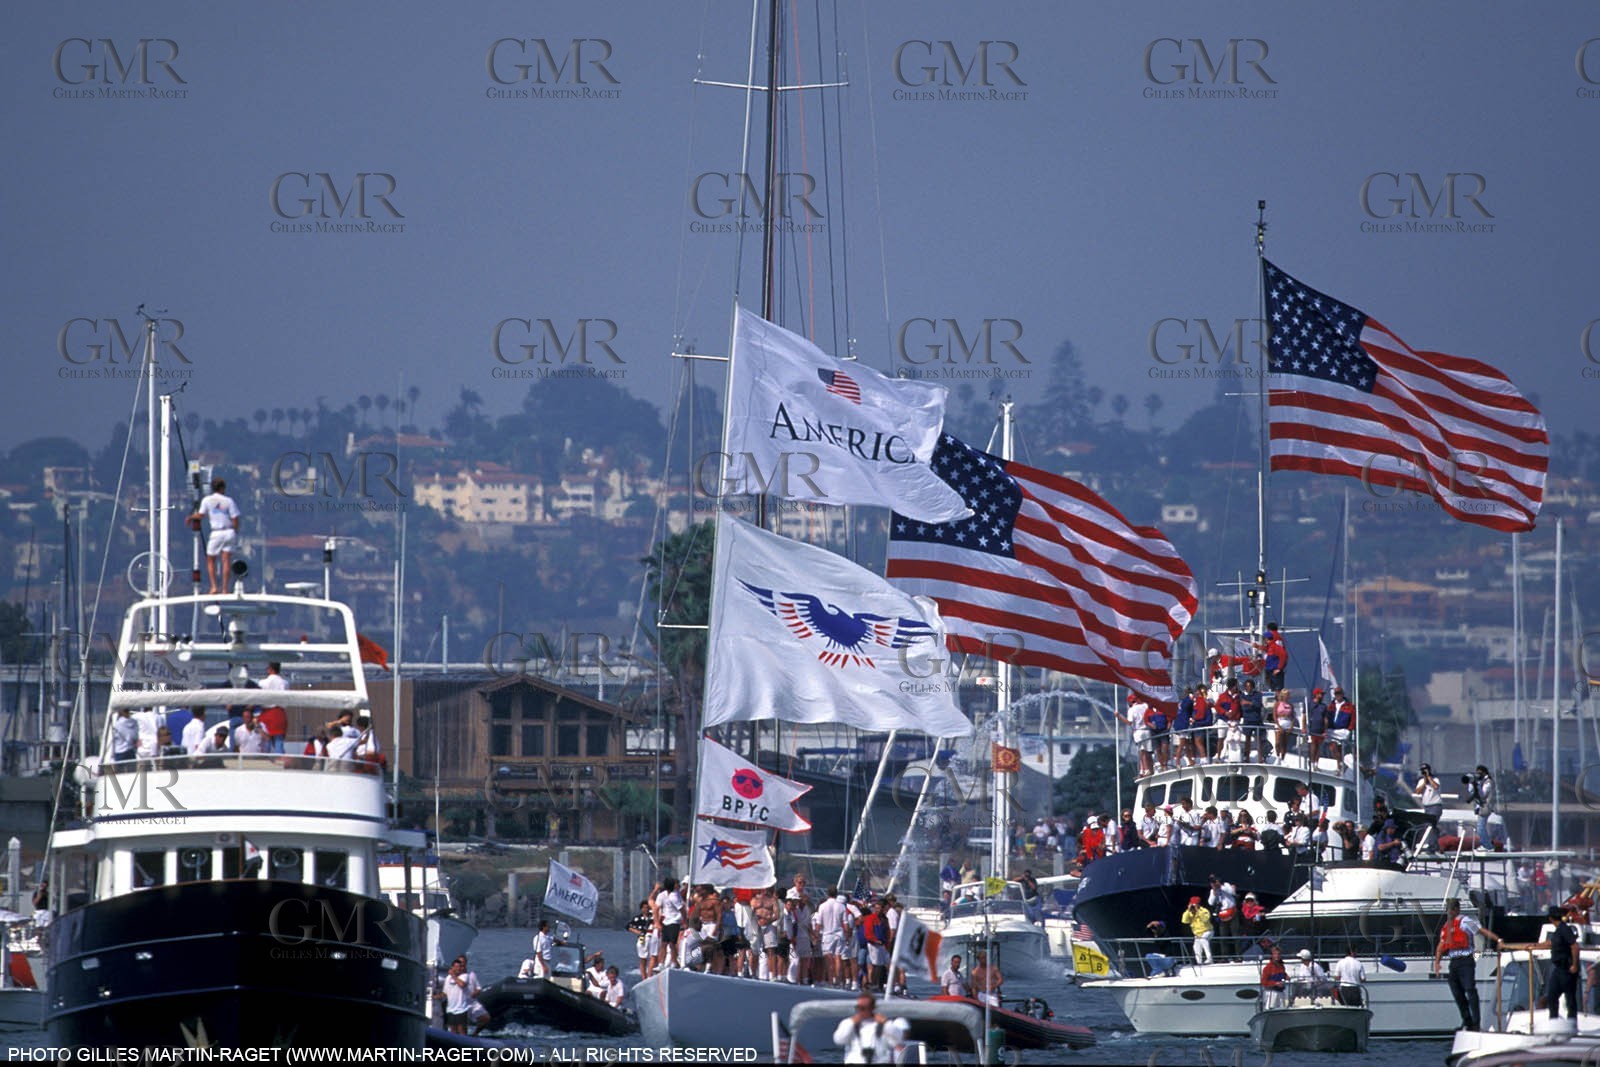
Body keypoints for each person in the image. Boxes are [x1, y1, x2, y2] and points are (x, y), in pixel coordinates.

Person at [1433, 897, 1502, 1031]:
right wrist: (1437, 963)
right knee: (1457, 993)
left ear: (1456, 910)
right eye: (1448, 910)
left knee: (1470, 989)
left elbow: (1481, 931)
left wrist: (1498, 939)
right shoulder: (1446, 926)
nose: (1449, 912)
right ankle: (1467, 1021)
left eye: (1451, 910)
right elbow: (1441, 946)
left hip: (1466, 961)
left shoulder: (1466, 922)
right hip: (1454, 962)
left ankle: (1476, 1022)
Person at [194, 477, 241, 595]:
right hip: (229, 531)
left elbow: (200, 515)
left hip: (216, 532)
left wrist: (190, 518)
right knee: (226, 560)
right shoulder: (229, 501)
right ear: (223, 488)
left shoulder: (207, 500)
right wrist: (235, 531)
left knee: (211, 559)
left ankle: (214, 587)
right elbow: (235, 518)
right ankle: (225, 589)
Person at [832, 994, 908, 1065]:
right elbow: (838, 1040)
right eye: (859, 1007)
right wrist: (851, 1023)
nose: (861, 1011)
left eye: (865, 1008)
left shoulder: (884, 1024)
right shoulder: (848, 1023)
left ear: (872, 1008)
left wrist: (885, 1023)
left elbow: (898, 1038)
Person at [1542, 904, 1581, 1021]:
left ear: (1550, 918)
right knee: (1552, 996)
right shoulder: (1559, 930)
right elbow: (1554, 942)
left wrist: (1575, 965)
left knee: (1570, 998)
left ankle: (1572, 1021)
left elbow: (1574, 946)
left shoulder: (1564, 929)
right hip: (1558, 969)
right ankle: (1553, 1020)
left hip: (1566, 969)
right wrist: (1537, 945)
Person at [436, 956, 483, 1036]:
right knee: (453, 1030)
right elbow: (445, 993)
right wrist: (434, 997)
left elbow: (462, 984)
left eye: (460, 967)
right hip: (451, 1009)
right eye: (456, 967)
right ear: (452, 967)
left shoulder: (465, 976)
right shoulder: (448, 978)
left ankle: (467, 1041)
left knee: (461, 1030)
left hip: (461, 1009)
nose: (458, 968)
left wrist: (453, 975)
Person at [816, 886, 850, 987]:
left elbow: (818, 923)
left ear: (828, 894)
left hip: (828, 934)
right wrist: (847, 936)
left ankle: (831, 981)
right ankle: (837, 980)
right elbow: (846, 924)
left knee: (828, 959)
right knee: (838, 957)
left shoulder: (822, 906)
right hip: (839, 934)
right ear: (836, 894)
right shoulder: (842, 906)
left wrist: (815, 935)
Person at [256, 662, 288, 754]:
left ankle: (265, 759)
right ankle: (280, 759)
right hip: (280, 714)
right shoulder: (285, 683)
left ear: (270, 669)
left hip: (266, 713)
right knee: (279, 742)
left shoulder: (262, 683)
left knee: (266, 742)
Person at [1467, 765, 1496, 852]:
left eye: (1479, 773)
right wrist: (1472, 783)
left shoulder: (1488, 782)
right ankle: (1486, 845)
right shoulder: (1481, 782)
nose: (1478, 775)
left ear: (1484, 772)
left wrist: (1477, 785)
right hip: (1480, 807)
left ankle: (1487, 846)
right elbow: (1471, 792)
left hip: (1485, 807)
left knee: (1480, 828)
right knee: (1480, 827)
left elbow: (1483, 795)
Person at [1210, 875, 1239, 957]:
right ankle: (1224, 956)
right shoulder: (1213, 890)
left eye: (1215, 881)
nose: (1214, 883)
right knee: (1223, 936)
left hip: (1232, 911)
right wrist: (1214, 891)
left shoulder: (1226, 885)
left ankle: (1238, 956)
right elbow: (1210, 902)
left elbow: (1231, 892)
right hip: (1222, 914)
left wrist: (1220, 886)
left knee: (1235, 935)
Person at [1181, 895, 1214, 965]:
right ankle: (1199, 962)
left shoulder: (1204, 911)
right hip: (1197, 934)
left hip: (1207, 931)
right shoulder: (1189, 912)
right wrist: (1188, 910)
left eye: (1194, 905)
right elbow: (1184, 921)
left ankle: (1209, 959)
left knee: (1203, 940)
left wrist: (1198, 911)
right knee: (1196, 947)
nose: (1193, 906)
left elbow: (1205, 919)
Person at [1238, 679, 1265, 763]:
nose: (1248, 688)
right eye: (1247, 686)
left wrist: (1249, 703)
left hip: (1257, 720)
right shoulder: (1242, 696)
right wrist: (1251, 704)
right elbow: (1244, 708)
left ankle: (1260, 758)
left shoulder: (1257, 695)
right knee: (1247, 739)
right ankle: (1247, 758)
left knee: (1259, 739)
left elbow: (1258, 704)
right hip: (1247, 720)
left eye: (1250, 686)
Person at [1326, 688, 1355, 765]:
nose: (1338, 695)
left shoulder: (1349, 706)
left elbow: (1353, 719)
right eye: (1336, 694)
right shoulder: (1331, 705)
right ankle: (1340, 763)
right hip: (1331, 730)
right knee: (1332, 747)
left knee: (1339, 749)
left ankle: (1340, 765)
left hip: (1342, 730)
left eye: (1339, 693)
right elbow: (1326, 717)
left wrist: (1349, 729)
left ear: (1342, 694)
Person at [1257, 622, 1289, 691]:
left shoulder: (1275, 639)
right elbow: (1269, 649)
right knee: (1273, 687)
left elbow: (1282, 654)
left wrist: (1279, 668)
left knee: (1276, 687)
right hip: (1271, 667)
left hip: (1274, 667)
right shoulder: (1278, 639)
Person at [1259, 945, 1288, 1010]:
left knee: (1282, 1009)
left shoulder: (1282, 966)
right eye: (1275, 954)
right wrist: (1275, 983)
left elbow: (1283, 974)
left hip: (1281, 992)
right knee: (1271, 1009)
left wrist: (1286, 977)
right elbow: (1264, 982)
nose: (1277, 956)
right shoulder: (1268, 968)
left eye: (1278, 954)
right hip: (1272, 992)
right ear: (1272, 955)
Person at [1306, 687, 1328, 767]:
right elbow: (1305, 716)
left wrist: (1325, 730)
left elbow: (1325, 719)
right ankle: (1312, 762)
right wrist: (1304, 727)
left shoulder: (1324, 706)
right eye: (1320, 694)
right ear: (1316, 694)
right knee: (1313, 744)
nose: (1322, 696)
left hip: (1320, 728)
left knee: (1318, 746)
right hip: (1312, 727)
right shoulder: (1309, 704)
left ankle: (1316, 763)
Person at [1272, 689, 1296, 761]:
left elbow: (1293, 716)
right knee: (1278, 742)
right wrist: (1279, 726)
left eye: (1288, 695)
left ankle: (1282, 758)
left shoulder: (1290, 705)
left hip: (1287, 722)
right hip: (1279, 721)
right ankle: (1277, 756)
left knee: (1284, 743)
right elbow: (1274, 716)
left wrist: (1291, 726)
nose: (1288, 696)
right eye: (1286, 695)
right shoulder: (1277, 704)